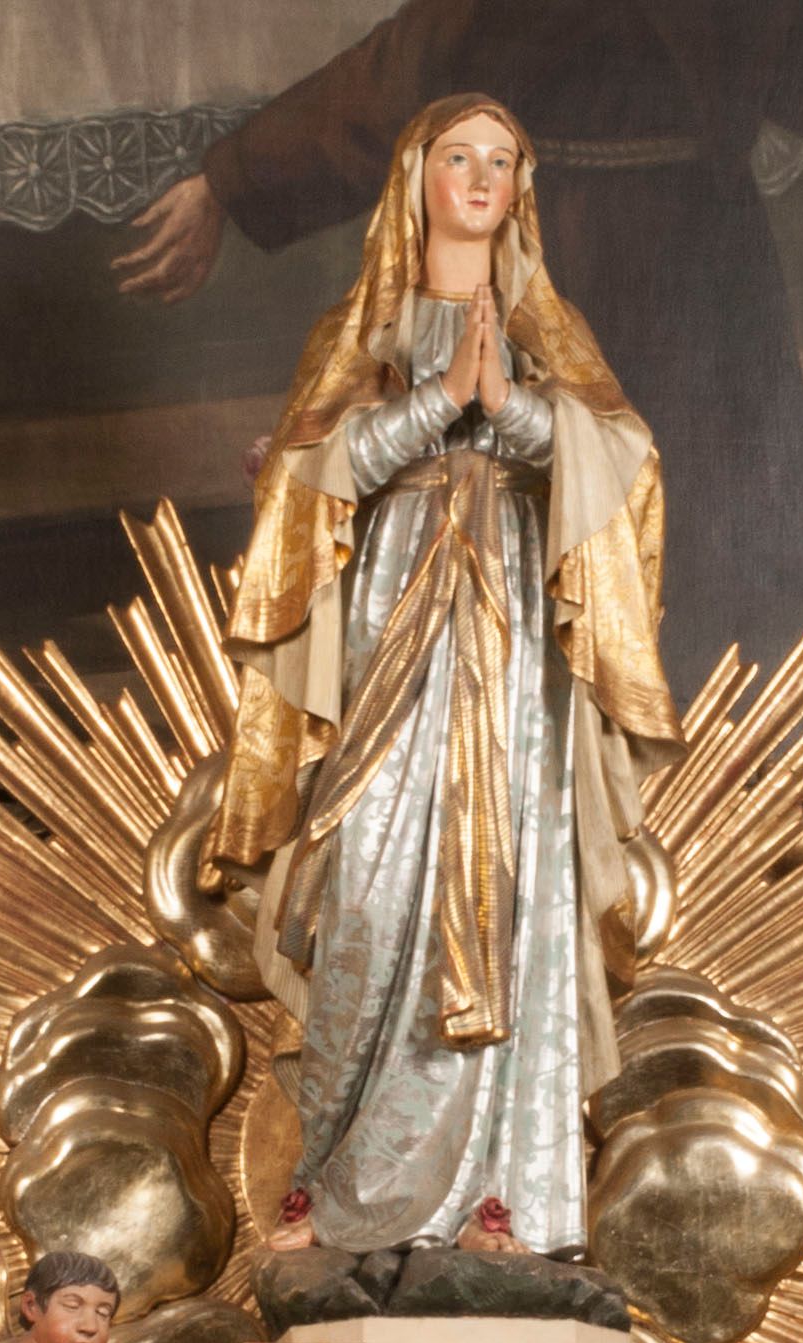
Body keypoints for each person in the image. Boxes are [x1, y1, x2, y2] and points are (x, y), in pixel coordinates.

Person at [200, 94, 683, 1263]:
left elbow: (626, 467)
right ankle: (335, 1179)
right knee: (363, 884)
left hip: (510, 654)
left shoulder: (547, 330)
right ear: (414, 176)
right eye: (457, 157)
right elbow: (306, 479)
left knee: (505, 890)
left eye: (501, 161)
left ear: (522, 188)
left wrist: (508, 408)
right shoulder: (359, 328)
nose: (479, 178)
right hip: (387, 636)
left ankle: (501, 1198)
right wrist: (436, 402)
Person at [114, 2, 803, 698]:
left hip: (576, 264)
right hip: (709, 266)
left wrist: (230, 181)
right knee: (690, 566)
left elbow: (401, 81)